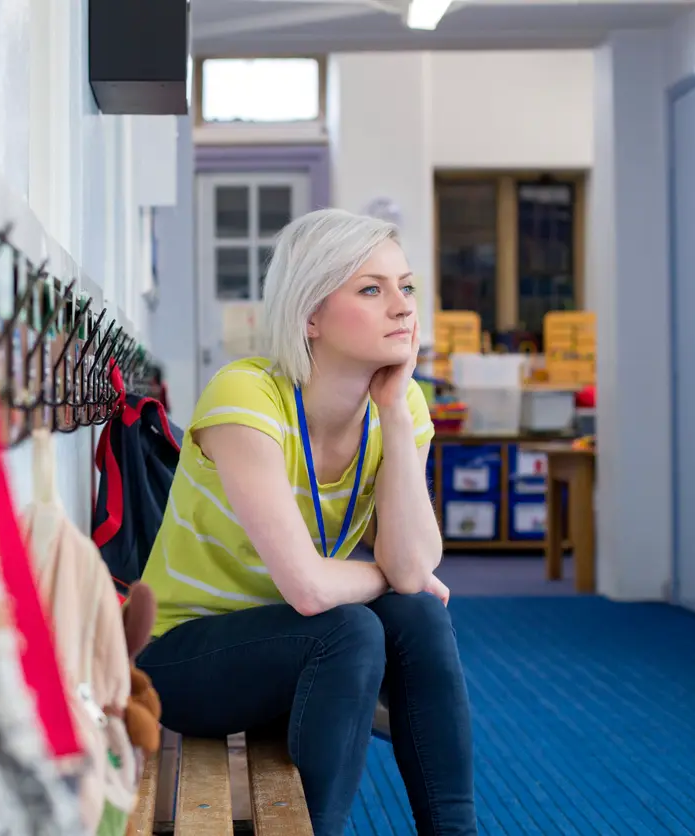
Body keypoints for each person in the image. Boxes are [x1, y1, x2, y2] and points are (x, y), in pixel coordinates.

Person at [135, 208, 477, 835]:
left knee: (418, 613)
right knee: (348, 629)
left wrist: (397, 418)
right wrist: (384, 573)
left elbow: (415, 569)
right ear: (310, 314)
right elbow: (312, 589)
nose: (401, 307)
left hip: (298, 649)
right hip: (181, 660)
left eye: (406, 286)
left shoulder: (401, 405)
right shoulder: (245, 397)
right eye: (370, 290)